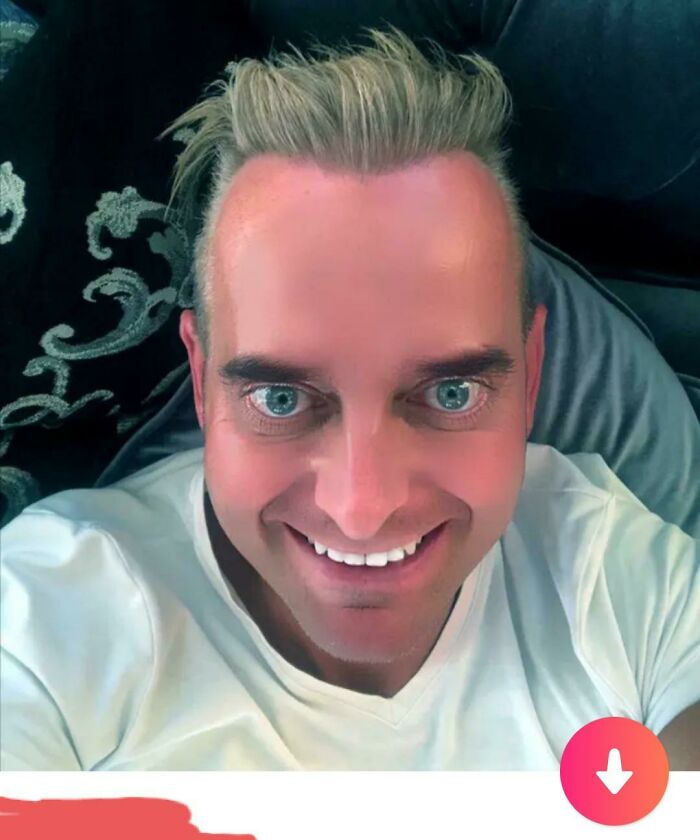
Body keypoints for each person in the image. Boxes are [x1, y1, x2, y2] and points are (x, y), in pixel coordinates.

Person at [1, 28, 698, 771]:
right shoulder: (51, 620)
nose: (361, 509)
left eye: (451, 393)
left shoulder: (615, 579)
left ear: (531, 377)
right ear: (201, 383)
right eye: (279, 399)